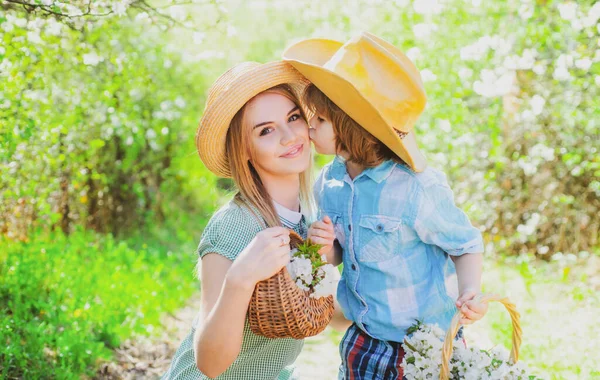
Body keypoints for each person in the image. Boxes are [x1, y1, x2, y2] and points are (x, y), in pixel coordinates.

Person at [287, 32, 488, 379]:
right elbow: (341, 252)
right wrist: (325, 248)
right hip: (364, 338)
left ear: (354, 128)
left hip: (425, 345)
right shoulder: (328, 183)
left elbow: (465, 244)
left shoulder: (414, 188)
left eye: (319, 119)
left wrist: (470, 290)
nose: (309, 126)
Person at [162, 61, 314, 379]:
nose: (289, 136)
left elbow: (335, 317)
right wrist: (241, 279)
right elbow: (209, 362)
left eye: (293, 117)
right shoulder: (233, 227)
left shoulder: (309, 218)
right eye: (266, 130)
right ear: (245, 148)